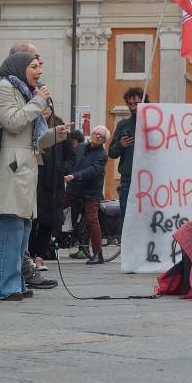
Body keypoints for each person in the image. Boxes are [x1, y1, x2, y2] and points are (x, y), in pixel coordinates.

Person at [0, 43, 60, 293]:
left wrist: (54, 135)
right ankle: (2, 287)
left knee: (20, 228)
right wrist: (38, 102)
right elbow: (12, 122)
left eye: (39, 66)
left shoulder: (22, 91)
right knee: (8, 226)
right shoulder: (3, 89)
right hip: (9, 166)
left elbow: (28, 136)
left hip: (22, 166)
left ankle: (15, 283)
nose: (39, 71)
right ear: (20, 67)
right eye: (34, 66)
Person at [29, 106, 75, 270]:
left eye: (47, 106)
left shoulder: (60, 128)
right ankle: (29, 255)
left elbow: (71, 157)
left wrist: (62, 169)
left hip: (53, 184)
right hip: (34, 181)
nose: (44, 109)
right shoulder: (30, 124)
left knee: (48, 222)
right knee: (31, 221)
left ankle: (40, 256)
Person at [63, 125, 109, 264]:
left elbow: (92, 170)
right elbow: (70, 162)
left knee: (92, 220)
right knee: (56, 207)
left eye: (101, 136)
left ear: (104, 140)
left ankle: (98, 254)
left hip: (91, 192)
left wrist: (74, 176)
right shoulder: (80, 148)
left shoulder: (102, 155)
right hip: (74, 188)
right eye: (96, 133)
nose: (97, 136)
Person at [109, 88, 146, 223]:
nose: (133, 107)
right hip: (127, 179)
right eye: (130, 104)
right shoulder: (123, 124)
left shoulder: (154, 122)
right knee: (127, 218)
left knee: (146, 218)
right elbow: (111, 153)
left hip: (149, 180)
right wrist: (120, 144)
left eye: (136, 103)